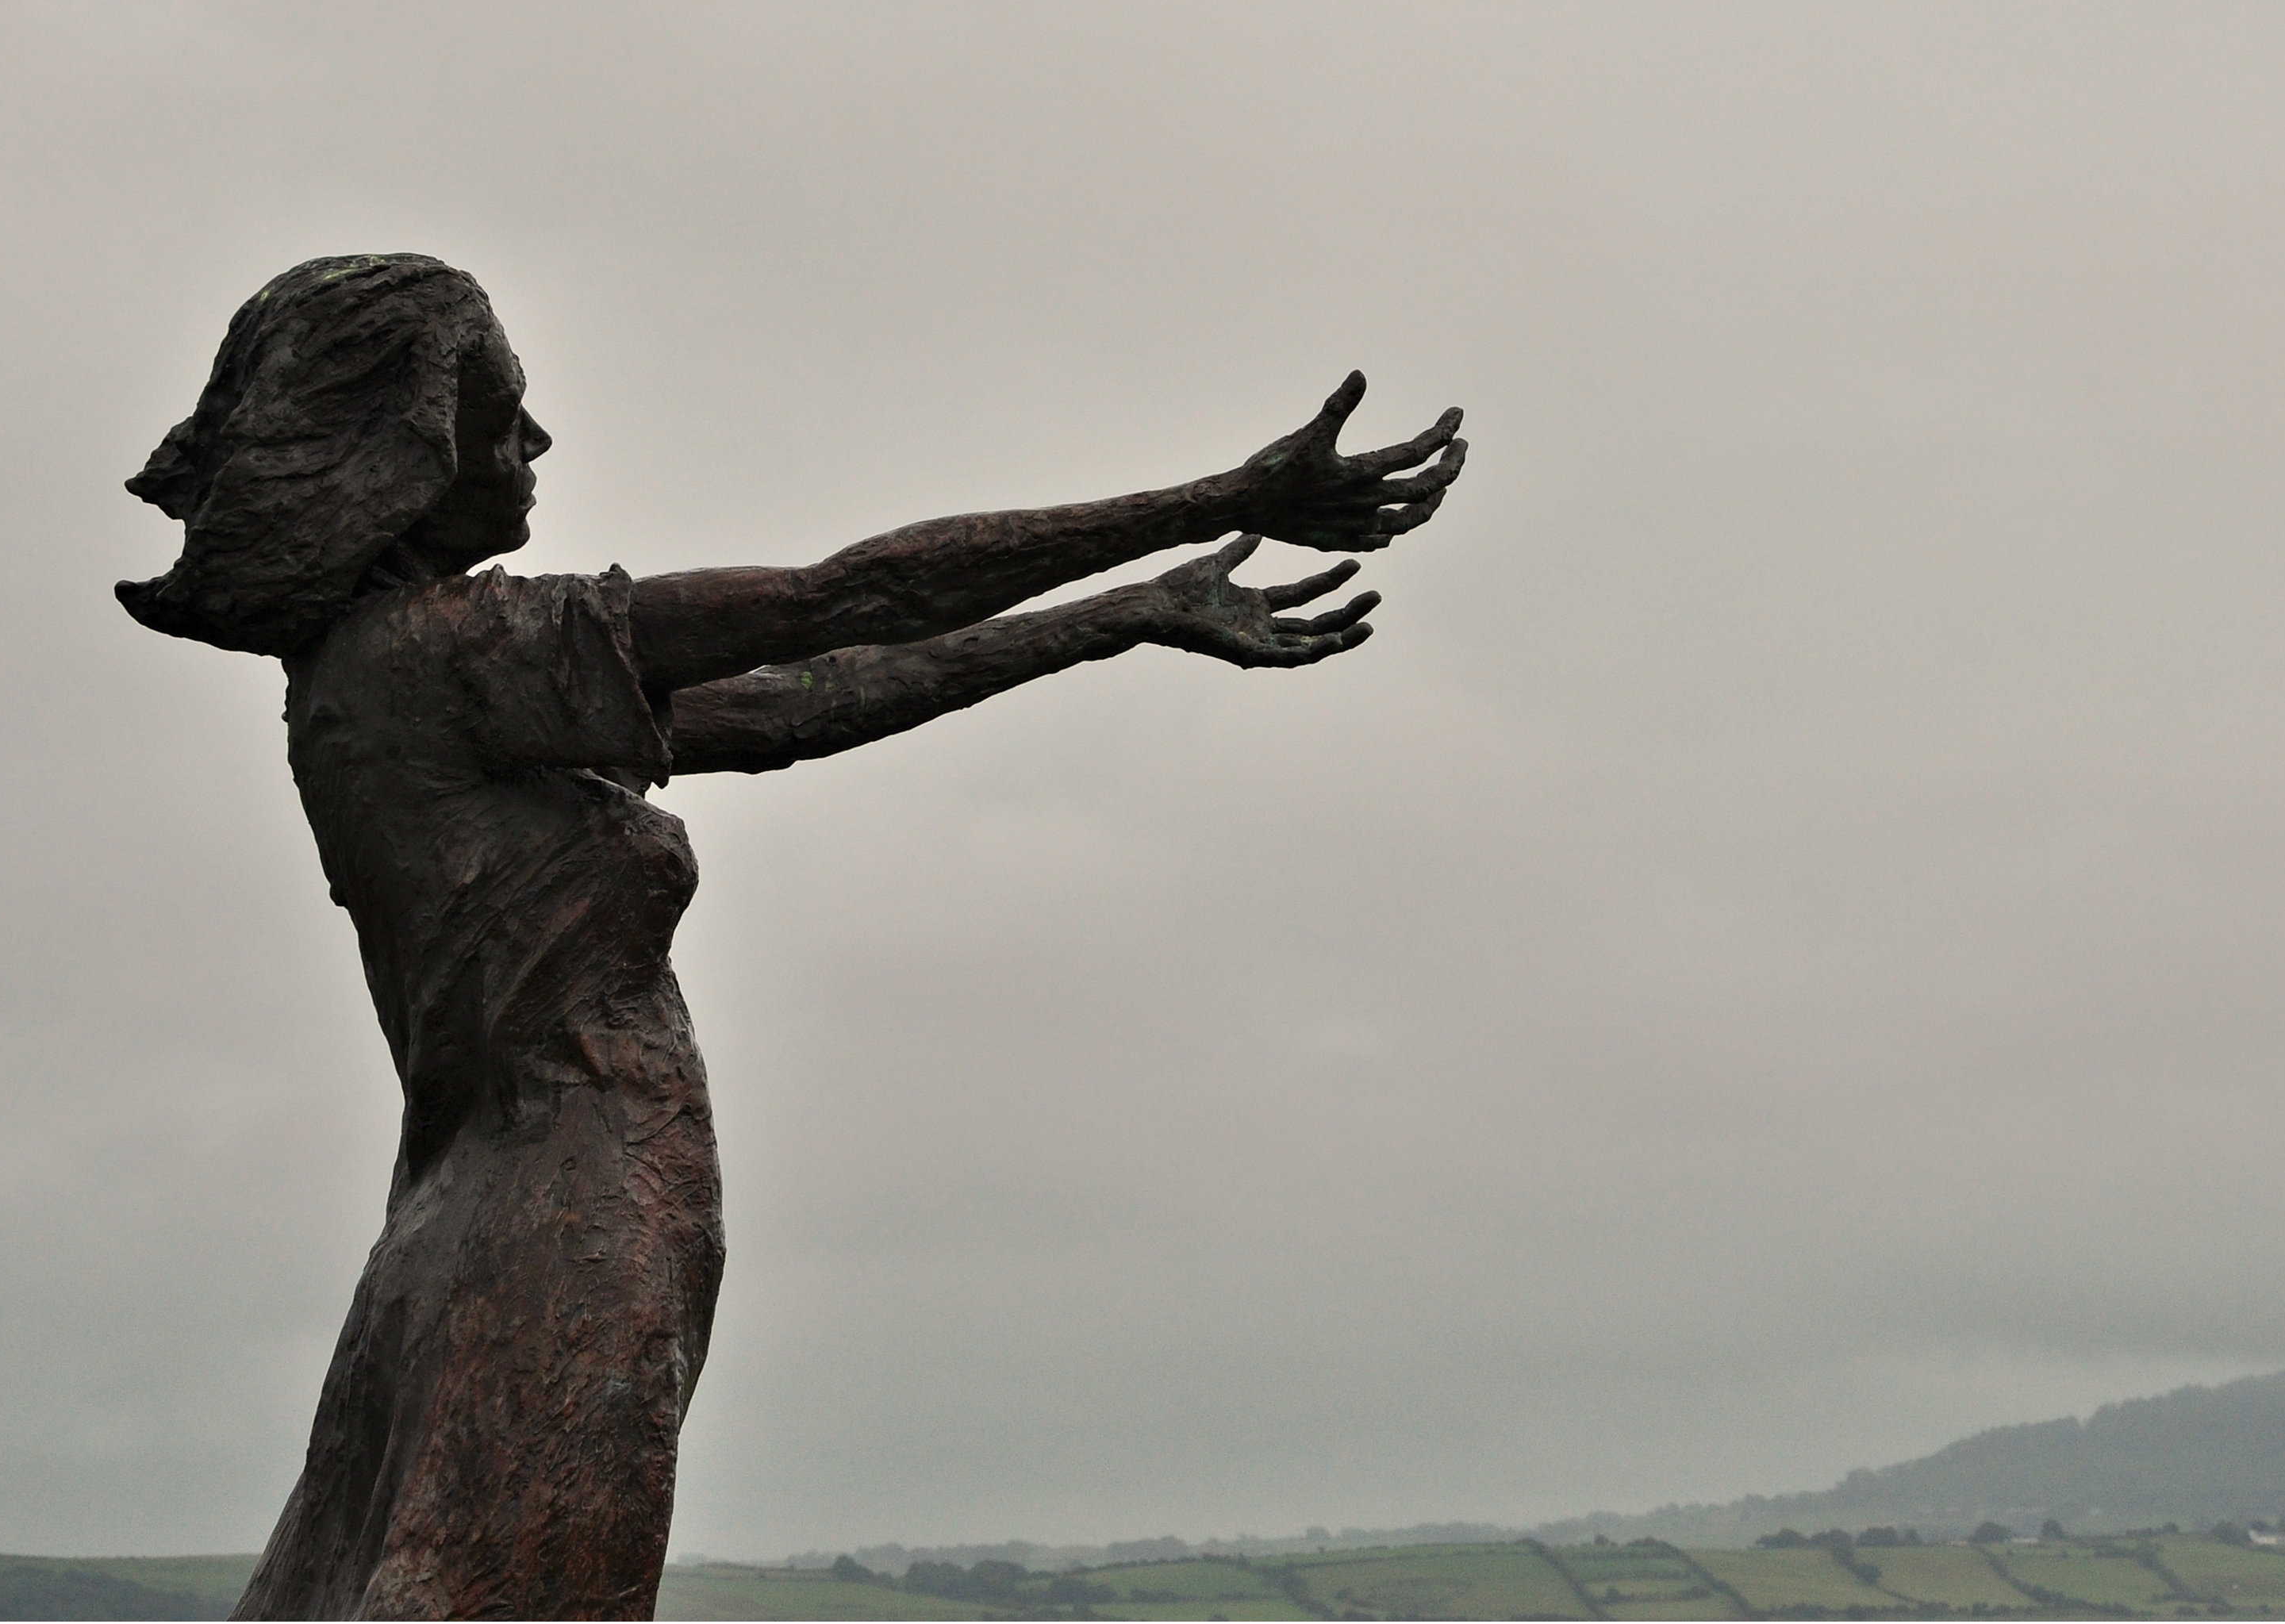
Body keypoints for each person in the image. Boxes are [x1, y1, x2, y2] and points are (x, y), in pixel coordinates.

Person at [117, 253, 1465, 1620]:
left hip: (448, 1228)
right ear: (407, 444)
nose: (537, 440)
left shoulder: (372, 684)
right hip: (563, 1203)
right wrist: (1225, 497)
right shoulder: (450, 653)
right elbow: (841, 598)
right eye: (502, 411)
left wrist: (1125, 613)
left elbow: (798, 704)